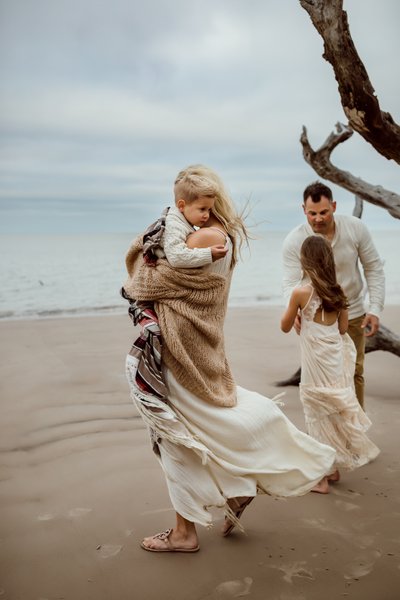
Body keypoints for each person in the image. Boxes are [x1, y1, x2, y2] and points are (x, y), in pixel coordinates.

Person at [123, 165, 336, 553]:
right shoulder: (224, 236)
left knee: (179, 435)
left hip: (180, 348)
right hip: (202, 345)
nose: (202, 213)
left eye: (206, 206)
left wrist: (144, 255)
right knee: (204, 421)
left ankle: (186, 531)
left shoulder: (204, 236)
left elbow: (145, 280)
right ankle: (236, 490)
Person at [281, 236, 380, 492]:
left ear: (305, 261)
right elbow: (343, 327)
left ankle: (322, 478)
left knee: (316, 412)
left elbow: (284, 325)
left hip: (315, 362)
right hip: (333, 360)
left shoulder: (300, 293)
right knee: (332, 411)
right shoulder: (339, 291)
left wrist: (298, 316)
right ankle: (333, 468)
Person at [282, 181, 385, 408]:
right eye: (312, 213)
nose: (318, 218)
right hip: (315, 319)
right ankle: (330, 426)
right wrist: (295, 310)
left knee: (354, 369)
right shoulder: (294, 240)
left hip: (354, 311)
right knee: (322, 376)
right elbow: (290, 282)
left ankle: (356, 427)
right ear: (304, 210)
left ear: (334, 206)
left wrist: (375, 308)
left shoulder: (355, 228)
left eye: (323, 212)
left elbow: (373, 268)